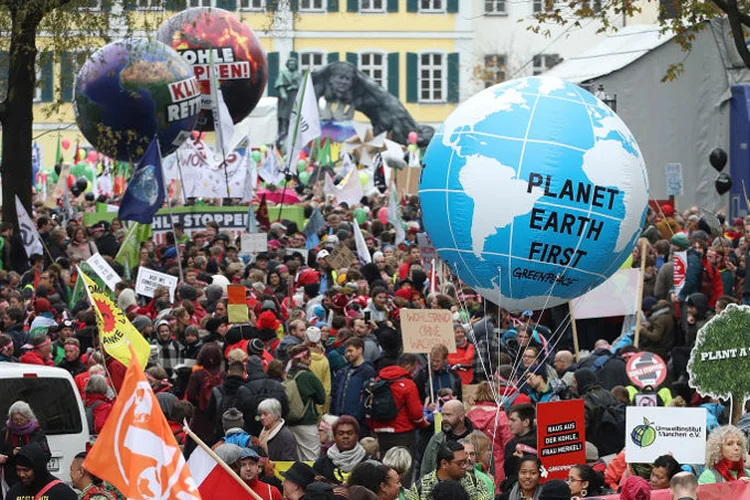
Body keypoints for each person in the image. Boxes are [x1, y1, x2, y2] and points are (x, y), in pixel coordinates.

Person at [368, 354, 429, 461]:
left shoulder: (377, 382)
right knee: (403, 467)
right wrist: (423, 424)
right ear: (411, 366)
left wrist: (373, 427)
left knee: (385, 467)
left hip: (381, 433)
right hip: (402, 433)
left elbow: (369, 407)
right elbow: (416, 414)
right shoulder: (408, 384)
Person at [407, 441, 492, 500]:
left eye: (465, 461)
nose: (465, 466)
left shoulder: (475, 483)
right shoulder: (420, 488)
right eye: (460, 463)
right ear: (444, 464)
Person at [286, 344, 327, 461]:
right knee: (311, 457)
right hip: (307, 422)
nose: (310, 359)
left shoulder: (289, 374)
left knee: (298, 457)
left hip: (291, 421)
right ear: (304, 358)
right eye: (309, 356)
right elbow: (322, 398)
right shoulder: (308, 376)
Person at [467, 381, 512, 484]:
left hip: (473, 461)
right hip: (498, 464)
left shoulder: (468, 415)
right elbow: (508, 444)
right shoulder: (500, 416)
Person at [331, 337, 377, 437]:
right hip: (341, 419)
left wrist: (358, 416)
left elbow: (368, 397)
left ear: (360, 350)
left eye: (350, 351)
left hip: (359, 423)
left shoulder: (368, 371)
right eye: (346, 351)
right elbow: (335, 393)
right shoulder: (343, 371)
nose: (348, 354)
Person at [0, 401, 51, 489]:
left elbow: (46, 454)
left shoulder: (37, 431)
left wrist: (29, 453)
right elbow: (2, 454)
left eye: (22, 419)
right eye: (15, 420)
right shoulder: (5, 433)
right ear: (11, 419)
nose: (19, 423)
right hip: (10, 480)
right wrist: (12, 454)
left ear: (28, 418)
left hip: (33, 479)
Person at [236, 356, 289, 437]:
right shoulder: (277, 386)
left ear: (247, 370)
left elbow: (239, 415)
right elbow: (285, 409)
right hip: (275, 432)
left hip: (252, 435)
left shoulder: (243, 390)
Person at [420, 399, 474, 477]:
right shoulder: (437, 439)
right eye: (443, 415)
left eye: (448, 415)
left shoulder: (476, 438)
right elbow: (426, 469)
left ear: (461, 416)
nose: (444, 418)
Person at [4, 443, 77, 500]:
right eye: (18, 470)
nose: (21, 474)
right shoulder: (14, 492)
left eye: (26, 470)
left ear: (38, 468)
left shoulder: (62, 493)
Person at [313, 416, 369, 484]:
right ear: (334, 436)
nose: (345, 436)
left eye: (350, 433)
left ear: (357, 435)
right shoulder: (321, 464)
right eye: (341, 433)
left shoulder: (369, 462)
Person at [503, 403, 537, 479]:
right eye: (509, 420)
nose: (509, 424)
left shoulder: (541, 441)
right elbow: (508, 475)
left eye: (513, 420)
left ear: (526, 422)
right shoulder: (510, 445)